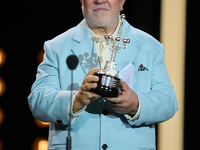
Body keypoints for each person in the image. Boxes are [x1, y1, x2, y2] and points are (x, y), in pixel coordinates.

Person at [28, 0, 178, 149]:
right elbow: (38, 101)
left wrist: (135, 104)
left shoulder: (150, 46)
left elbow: (168, 102)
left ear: (122, 1)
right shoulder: (56, 47)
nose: (99, 0)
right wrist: (76, 100)